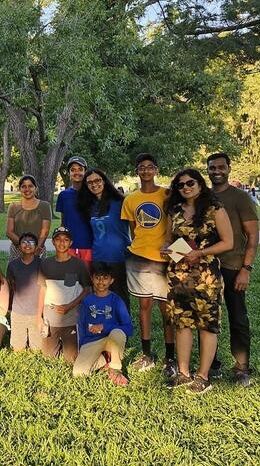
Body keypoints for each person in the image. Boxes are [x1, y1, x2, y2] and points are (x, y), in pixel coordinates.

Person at [162, 169, 234, 395]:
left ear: (200, 184)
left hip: (205, 275)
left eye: (190, 182)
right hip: (179, 273)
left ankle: (203, 376)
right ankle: (183, 373)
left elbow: (228, 242)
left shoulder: (215, 209)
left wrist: (201, 253)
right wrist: (167, 250)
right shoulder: (174, 211)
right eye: (180, 185)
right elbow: (168, 240)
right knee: (182, 323)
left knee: (206, 324)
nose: (185, 187)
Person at [207, 153, 259, 386]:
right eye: (212, 167)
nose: (216, 171)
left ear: (228, 169)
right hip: (207, 267)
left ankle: (241, 367)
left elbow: (253, 235)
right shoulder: (202, 197)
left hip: (233, 266)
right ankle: (212, 363)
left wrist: (246, 268)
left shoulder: (240, 198)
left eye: (221, 167)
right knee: (208, 317)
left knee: (238, 318)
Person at [121, 153, 176, 375]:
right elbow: (134, 228)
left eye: (150, 167)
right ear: (137, 171)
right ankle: (147, 354)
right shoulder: (130, 199)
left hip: (164, 259)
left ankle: (170, 358)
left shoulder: (167, 195)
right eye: (141, 167)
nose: (145, 170)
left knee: (166, 309)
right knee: (144, 307)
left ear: (156, 170)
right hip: (139, 259)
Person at [77, 168, 132, 313]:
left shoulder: (120, 201)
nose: (94, 184)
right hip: (98, 257)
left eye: (97, 180)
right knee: (101, 296)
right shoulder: (89, 206)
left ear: (104, 181)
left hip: (118, 256)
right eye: (89, 183)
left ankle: (122, 330)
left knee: (120, 296)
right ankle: (105, 329)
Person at [74, 263, 133, 386]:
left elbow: (128, 328)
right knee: (79, 373)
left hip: (111, 339)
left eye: (105, 278)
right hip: (91, 341)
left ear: (111, 280)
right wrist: (82, 348)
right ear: (92, 279)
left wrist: (104, 327)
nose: (101, 282)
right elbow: (81, 326)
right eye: (97, 277)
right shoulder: (87, 301)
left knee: (118, 333)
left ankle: (115, 368)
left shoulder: (116, 300)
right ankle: (105, 359)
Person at [40, 227, 90, 363]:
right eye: (58, 239)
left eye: (66, 240)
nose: (62, 243)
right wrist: (39, 316)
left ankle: (70, 341)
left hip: (71, 316)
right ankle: (56, 341)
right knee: (48, 357)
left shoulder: (78, 264)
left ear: (71, 243)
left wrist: (70, 305)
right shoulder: (45, 264)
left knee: (71, 358)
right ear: (53, 242)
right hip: (51, 317)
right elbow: (42, 291)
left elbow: (86, 289)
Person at [6, 233, 46, 352]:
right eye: (24, 242)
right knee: (17, 349)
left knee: (37, 349)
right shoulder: (13, 265)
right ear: (19, 247)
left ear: (37, 247)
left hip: (36, 313)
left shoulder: (42, 264)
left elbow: (45, 289)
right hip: (18, 312)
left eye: (31, 242)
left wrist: (41, 314)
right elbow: (11, 286)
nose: (27, 244)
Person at [55, 156, 93, 268]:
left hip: (89, 246)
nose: (77, 172)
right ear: (69, 173)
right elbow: (63, 222)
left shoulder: (92, 194)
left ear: (85, 172)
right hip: (69, 246)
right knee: (70, 281)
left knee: (87, 280)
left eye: (80, 169)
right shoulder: (64, 195)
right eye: (73, 170)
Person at [5, 175, 52, 260]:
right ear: (20, 189)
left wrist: (37, 248)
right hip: (17, 249)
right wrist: (23, 246)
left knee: (37, 273)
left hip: (38, 249)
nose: (27, 189)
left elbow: (44, 232)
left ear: (36, 188)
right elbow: (9, 232)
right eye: (24, 186)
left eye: (30, 186)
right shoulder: (13, 206)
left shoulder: (45, 206)